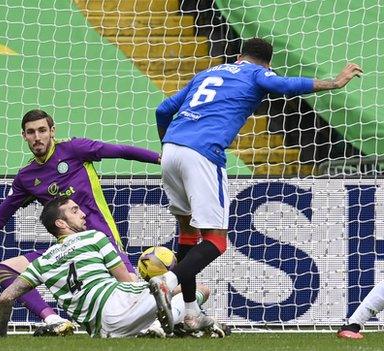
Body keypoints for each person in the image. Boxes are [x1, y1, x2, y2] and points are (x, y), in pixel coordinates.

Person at [155, 37, 363, 332]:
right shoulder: (257, 73)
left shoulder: (208, 73)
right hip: (202, 153)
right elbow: (284, 86)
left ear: (239, 55)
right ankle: (168, 281)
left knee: (188, 235)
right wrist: (333, 83)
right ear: (267, 63)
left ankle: (190, 313)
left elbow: (163, 110)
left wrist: (165, 144)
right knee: (215, 241)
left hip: (171, 150)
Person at [0, 109, 161, 334]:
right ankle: (54, 320)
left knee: (133, 289)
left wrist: (161, 159)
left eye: (42, 130)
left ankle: (161, 324)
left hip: (102, 241)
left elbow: (120, 151)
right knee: (6, 269)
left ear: (52, 131)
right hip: (67, 249)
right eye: (31, 132)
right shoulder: (26, 177)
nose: (37, 136)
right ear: (23, 136)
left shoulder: (75, 149)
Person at [0, 196, 223, 338]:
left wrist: (0, 337)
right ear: (61, 223)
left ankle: (167, 323)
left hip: (104, 331)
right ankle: (184, 320)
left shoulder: (40, 263)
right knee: (199, 290)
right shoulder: (94, 237)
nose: (82, 213)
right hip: (120, 303)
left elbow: (5, 298)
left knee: (169, 297)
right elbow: (126, 282)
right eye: (74, 211)